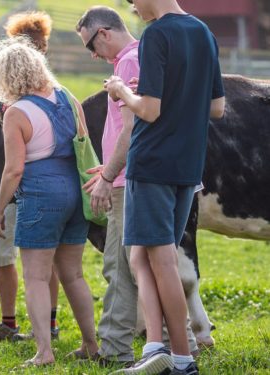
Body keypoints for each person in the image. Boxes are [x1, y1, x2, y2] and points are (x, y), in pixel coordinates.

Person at [76, 6, 203, 368]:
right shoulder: (139, 56)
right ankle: (179, 344)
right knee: (149, 262)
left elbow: (135, 128)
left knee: (126, 265)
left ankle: (121, 348)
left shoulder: (131, 61)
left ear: (103, 33)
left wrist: (107, 176)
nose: (92, 54)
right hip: (153, 171)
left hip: (135, 177)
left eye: (90, 45)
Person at [103, 1, 225, 374]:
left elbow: (150, 111)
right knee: (144, 254)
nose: (133, 6)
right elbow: (217, 107)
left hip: (153, 161)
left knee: (162, 260)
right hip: (188, 164)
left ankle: (182, 360)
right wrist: (168, 94)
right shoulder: (203, 32)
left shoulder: (156, 33)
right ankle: (155, 348)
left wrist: (122, 90)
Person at [0, 37, 98, 367]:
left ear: (3, 78)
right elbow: (83, 144)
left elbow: (13, 170)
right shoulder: (68, 97)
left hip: (41, 193)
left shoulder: (17, 112)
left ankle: (44, 352)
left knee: (36, 277)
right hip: (77, 191)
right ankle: (91, 344)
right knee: (74, 274)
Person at [0, 10, 61, 342]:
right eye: (31, 45)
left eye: (42, 45)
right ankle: (8, 322)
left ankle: (50, 325)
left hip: (36, 182)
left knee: (44, 259)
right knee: (2, 255)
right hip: (9, 179)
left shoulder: (54, 90)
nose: (39, 51)